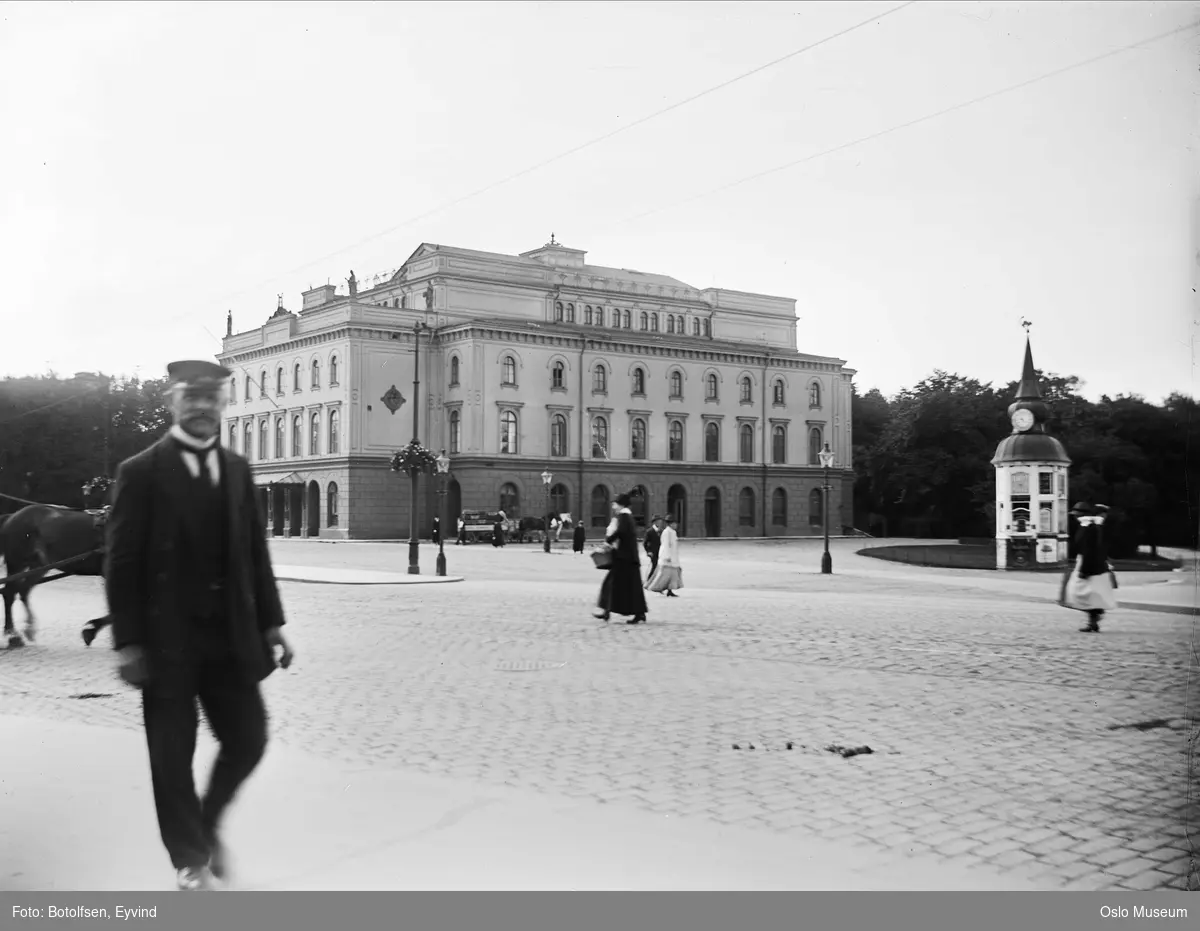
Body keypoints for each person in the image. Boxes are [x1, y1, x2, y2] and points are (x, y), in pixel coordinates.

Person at [104, 359, 296, 891]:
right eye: (191, 397)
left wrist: (272, 624)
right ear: (174, 402)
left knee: (249, 739)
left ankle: (206, 826)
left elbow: (255, 554)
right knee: (171, 756)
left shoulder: (237, 468)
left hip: (228, 635)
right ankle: (190, 860)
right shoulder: (140, 471)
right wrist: (128, 642)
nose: (202, 407)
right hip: (166, 643)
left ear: (222, 404)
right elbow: (120, 563)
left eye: (211, 398)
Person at [1058, 502, 1118, 633]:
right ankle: (1093, 621)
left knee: (1083, 594)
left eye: (1076, 514)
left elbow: (1089, 550)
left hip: (1090, 565)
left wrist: (1085, 570)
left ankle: (1094, 619)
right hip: (1093, 565)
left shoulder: (1088, 528)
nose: (1074, 517)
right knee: (1090, 595)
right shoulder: (1091, 527)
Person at [594, 491, 648, 624]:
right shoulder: (626, 517)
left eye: (615, 504)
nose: (613, 506)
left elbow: (620, 532)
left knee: (613, 584)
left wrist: (608, 542)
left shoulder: (624, 516)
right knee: (629, 586)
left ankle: (608, 611)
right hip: (628, 558)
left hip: (625, 559)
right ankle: (635, 613)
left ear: (620, 505)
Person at [646, 514, 683, 597]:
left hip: (673, 557)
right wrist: (667, 556)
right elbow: (665, 545)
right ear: (670, 524)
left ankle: (670, 590)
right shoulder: (667, 532)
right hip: (668, 558)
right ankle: (656, 587)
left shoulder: (672, 532)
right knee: (664, 575)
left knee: (672, 575)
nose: (676, 525)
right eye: (674, 523)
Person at [643, 515, 662, 583]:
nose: (660, 523)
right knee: (655, 566)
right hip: (653, 553)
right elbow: (645, 543)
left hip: (660, 552)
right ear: (655, 522)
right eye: (658, 521)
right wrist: (648, 551)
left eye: (660, 521)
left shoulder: (661, 531)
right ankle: (649, 580)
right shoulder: (649, 531)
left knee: (659, 567)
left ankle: (654, 581)